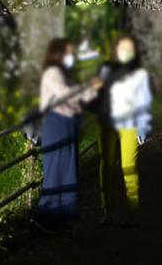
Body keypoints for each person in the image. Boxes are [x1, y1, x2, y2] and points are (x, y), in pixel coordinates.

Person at [33, 37, 99, 232]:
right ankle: (45, 217)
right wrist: (88, 88)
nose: (72, 57)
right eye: (69, 53)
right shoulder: (52, 73)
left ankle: (59, 217)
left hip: (66, 124)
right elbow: (66, 94)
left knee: (66, 170)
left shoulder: (64, 73)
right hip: (56, 124)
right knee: (56, 170)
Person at [98, 35, 152, 226]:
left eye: (129, 48)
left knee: (128, 166)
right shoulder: (105, 69)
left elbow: (144, 102)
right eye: (122, 48)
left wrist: (143, 129)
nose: (125, 52)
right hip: (107, 122)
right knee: (107, 165)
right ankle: (107, 210)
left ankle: (132, 210)